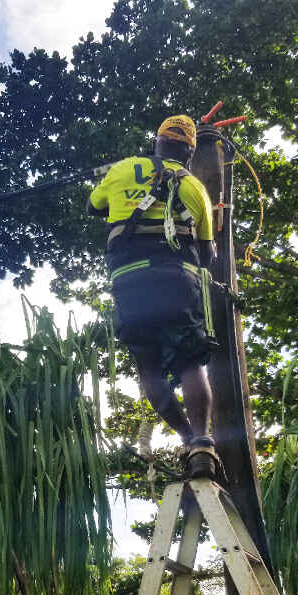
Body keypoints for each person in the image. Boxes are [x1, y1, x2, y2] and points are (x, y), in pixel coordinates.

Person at [88, 114, 221, 481]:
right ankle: (202, 443)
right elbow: (208, 255)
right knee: (191, 363)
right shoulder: (194, 186)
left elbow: (94, 206)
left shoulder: (123, 168)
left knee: (149, 368)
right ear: (189, 151)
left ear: (158, 142)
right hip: (177, 279)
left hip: (130, 280)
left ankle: (185, 436)